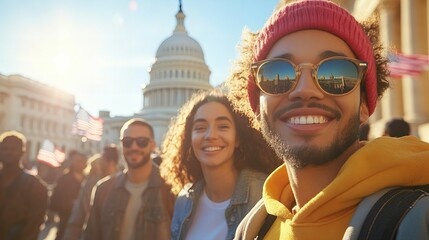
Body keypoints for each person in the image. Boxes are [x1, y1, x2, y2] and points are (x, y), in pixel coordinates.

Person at [225, 0, 429, 239]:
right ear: (257, 108)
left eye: (336, 72)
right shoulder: (253, 229)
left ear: (364, 105)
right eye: (276, 74)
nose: (305, 90)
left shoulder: (419, 219)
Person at [160, 90, 281, 240]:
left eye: (223, 126)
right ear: (189, 140)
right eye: (200, 127)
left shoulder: (266, 194)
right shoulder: (184, 200)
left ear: (237, 138)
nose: (210, 135)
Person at [84, 118, 175, 240]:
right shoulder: (103, 189)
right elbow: (91, 235)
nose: (134, 147)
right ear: (121, 145)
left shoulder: (171, 188)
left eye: (141, 142)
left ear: (152, 145)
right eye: (127, 142)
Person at [63, 145, 119, 240]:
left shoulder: (121, 186)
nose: (100, 162)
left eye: (103, 159)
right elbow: (78, 214)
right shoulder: (91, 184)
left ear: (111, 163)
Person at [0, 131, 48, 240]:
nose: (8, 152)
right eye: (5, 148)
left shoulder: (36, 186)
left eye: (13, 149)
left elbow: (34, 225)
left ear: (22, 151)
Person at [50, 150, 87, 240]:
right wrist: (70, 204)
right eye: (78, 161)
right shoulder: (64, 179)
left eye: (83, 161)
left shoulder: (88, 180)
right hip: (65, 224)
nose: (80, 164)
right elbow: (54, 202)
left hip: (82, 228)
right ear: (73, 162)